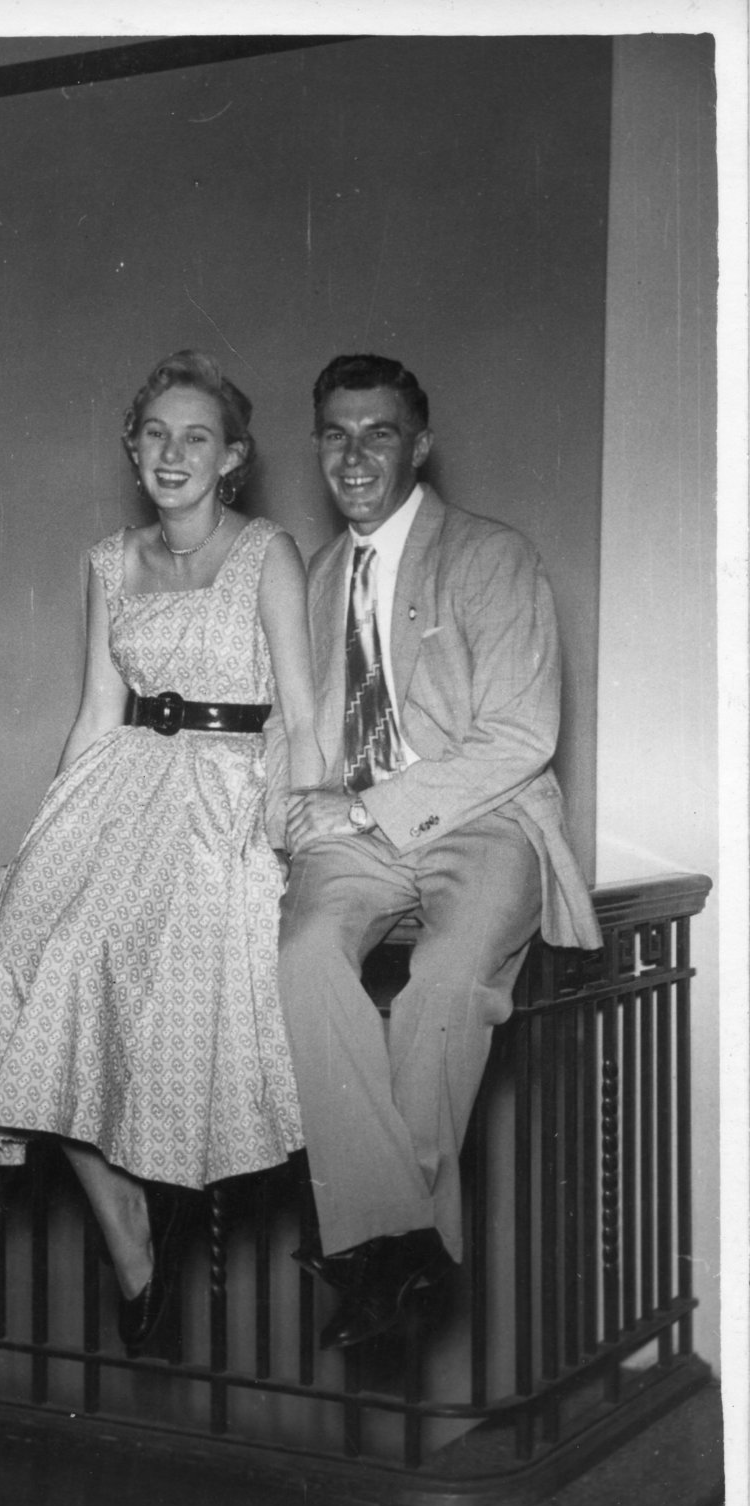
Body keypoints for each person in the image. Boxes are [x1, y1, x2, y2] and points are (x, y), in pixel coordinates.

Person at [0, 349, 320, 1351]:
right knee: (27, 966)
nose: (173, 452)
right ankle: (129, 1225)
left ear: (231, 457)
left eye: (197, 436)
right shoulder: (110, 561)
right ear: (132, 450)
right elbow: (97, 714)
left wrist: (292, 825)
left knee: (150, 982)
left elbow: (304, 722)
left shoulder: (267, 551)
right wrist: (37, 845)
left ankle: (166, 1192)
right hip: (119, 786)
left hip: (227, 791)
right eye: (155, 434)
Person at [271, 353, 603, 1353]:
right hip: (352, 838)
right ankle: (406, 1248)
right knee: (302, 958)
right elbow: (291, 739)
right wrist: (286, 811)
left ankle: (375, 1249)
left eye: (378, 432)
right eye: (335, 432)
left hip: (485, 819)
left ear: (419, 445)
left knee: (448, 979)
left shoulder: (494, 555)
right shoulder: (315, 579)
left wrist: (365, 807)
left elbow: (518, 737)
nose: (355, 452)